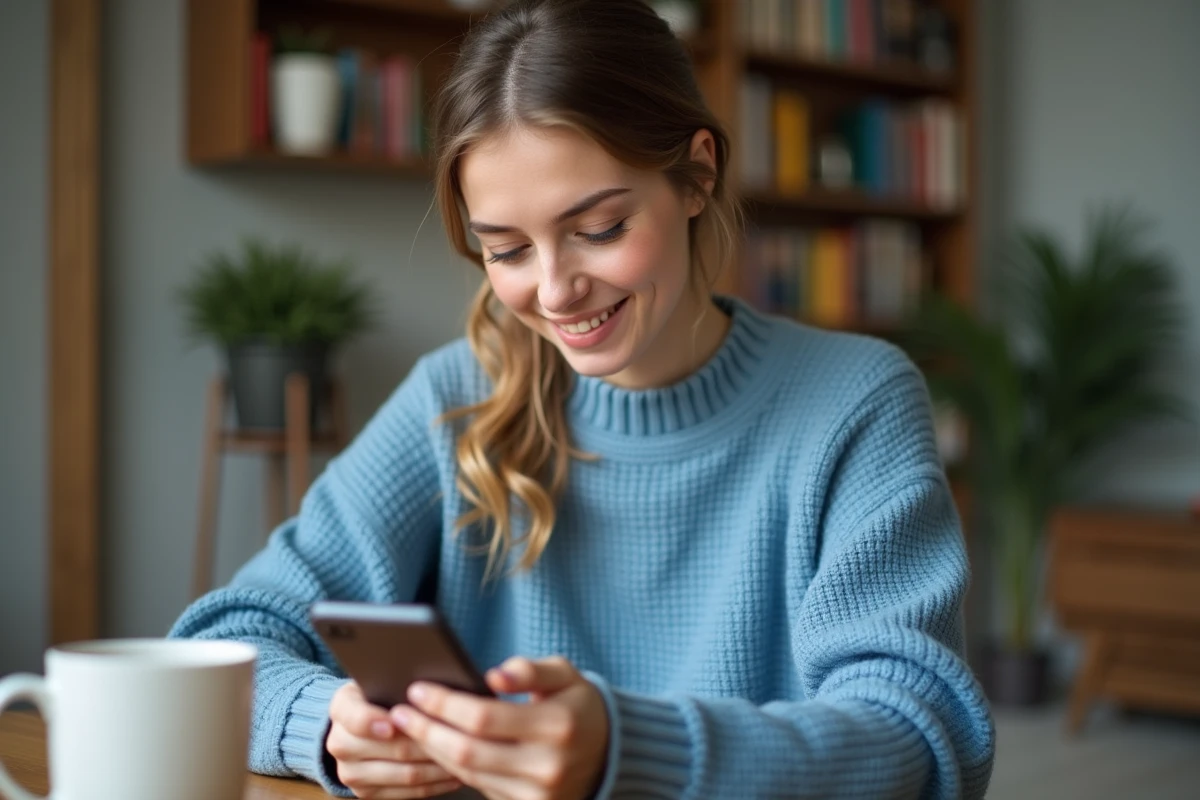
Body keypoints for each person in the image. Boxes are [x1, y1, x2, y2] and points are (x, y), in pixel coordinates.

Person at [170, 0, 995, 797]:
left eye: (599, 229)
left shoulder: (854, 401)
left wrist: (628, 751)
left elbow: (920, 738)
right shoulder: (457, 397)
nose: (556, 290)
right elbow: (221, 640)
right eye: (507, 250)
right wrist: (325, 721)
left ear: (698, 174)